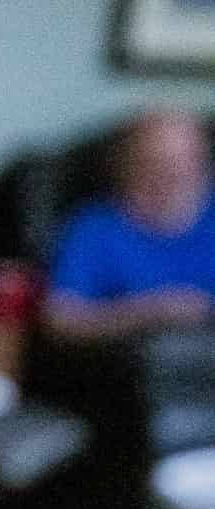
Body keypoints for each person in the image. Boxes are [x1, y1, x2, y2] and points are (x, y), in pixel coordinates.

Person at [45, 110, 215, 338]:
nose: (172, 175)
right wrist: (149, 311)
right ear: (127, 165)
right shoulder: (94, 227)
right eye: (156, 163)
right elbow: (60, 318)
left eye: (185, 162)